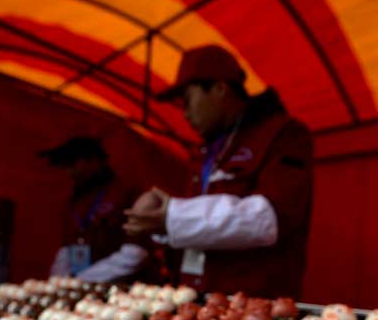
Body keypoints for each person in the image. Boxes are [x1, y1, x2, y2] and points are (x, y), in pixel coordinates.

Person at [124, 44, 313, 298]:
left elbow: (271, 218)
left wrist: (172, 216)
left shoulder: (282, 134)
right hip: (198, 298)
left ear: (219, 88)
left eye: (188, 100)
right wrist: (162, 226)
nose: (185, 113)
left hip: (254, 306)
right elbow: (203, 223)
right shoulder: (204, 151)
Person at [41, 136, 148, 281]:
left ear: (94, 160)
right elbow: (67, 248)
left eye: (73, 164)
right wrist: (59, 280)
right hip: (82, 289)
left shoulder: (127, 192)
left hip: (125, 288)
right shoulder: (73, 201)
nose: (69, 172)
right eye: (65, 167)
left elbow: (136, 252)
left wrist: (83, 279)